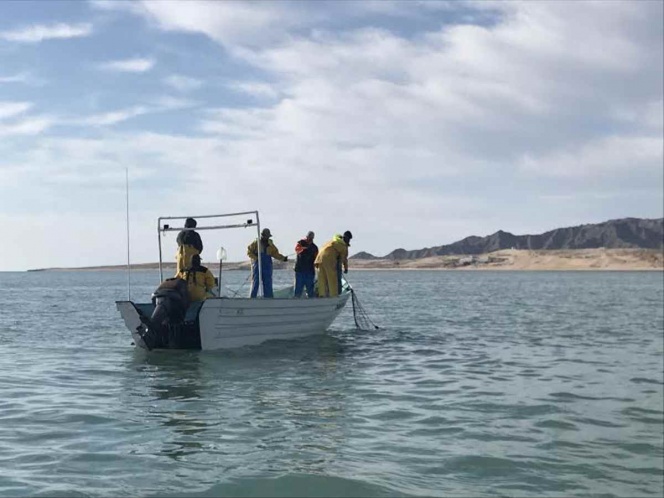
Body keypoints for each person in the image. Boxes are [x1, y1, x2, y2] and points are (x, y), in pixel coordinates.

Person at [247, 228, 288, 298]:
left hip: (267, 265)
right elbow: (249, 252)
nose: (267, 237)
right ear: (262, 235)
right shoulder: (256, 243)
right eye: (266, 236)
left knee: (268, 281)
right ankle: (252, 298)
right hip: (258, 264)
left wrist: (283, 258)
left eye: (268, 236)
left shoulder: (270, 244)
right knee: (256, 281)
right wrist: (256, 258)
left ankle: (269, 298)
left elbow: (275, 253)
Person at [314, 230, 352, 297]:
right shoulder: (343, 246)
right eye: (349, 239)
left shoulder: (332, 241)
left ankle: (321, 295)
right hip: (329, 261)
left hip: (319, 259)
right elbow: (343, 259)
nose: (349, 241)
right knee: (332, 280)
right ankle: (333, 296)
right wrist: (345, 268)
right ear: (346, 238)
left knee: (322, 278)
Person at [294, 231, 318, 298]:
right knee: (298, 288)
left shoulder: (314, 247)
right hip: (300, 271)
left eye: (311, 238)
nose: (309, 239)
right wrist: (303, 249)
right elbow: (297, 250)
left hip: (309, 271)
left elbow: (317, 259)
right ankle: (296, 300)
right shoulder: (300, 243)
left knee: (310, 289)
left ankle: (311, 301)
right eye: (308, 238)